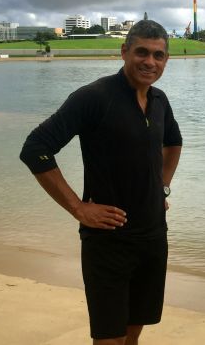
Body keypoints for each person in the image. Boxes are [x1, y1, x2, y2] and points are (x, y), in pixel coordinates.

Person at [19, 20, 183, 345]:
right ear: (124, 52)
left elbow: (173, 142)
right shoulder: (94, 98)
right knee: (110, 339)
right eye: (142, 52)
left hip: (152, 237)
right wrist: (78, 208)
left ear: (166, 60)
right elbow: (36, 149)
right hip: (108, 243)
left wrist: (161, 188)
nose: (150, 61)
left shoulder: (159, 100)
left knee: (134, 333)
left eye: (158, 55)